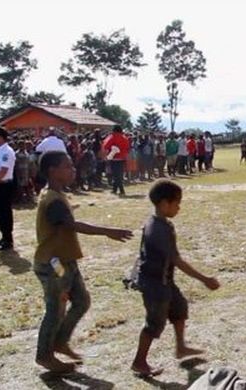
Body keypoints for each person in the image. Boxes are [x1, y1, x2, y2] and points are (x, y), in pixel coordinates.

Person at [33, 151, 132, 374]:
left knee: (81, 301)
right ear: (52, 171)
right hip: (54, 264)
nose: (73, 169)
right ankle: (44, 355)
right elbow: (70, 225)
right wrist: (107, 231)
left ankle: (60, 341)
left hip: (65, 261)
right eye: (67, 166)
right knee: (56, 308)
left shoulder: (56, 193)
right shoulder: (52, 199)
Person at [131, 180, 221, 377]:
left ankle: (181, 347)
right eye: (177, 203)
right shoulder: (158, 229)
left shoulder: (160, 223)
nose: (179, 207)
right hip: (155, 285)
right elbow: (176, 259)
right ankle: (139, 362)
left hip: (164, 281)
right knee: (154, 324)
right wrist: (204, 279)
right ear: (164, 204)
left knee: (179, 307)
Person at [103, 125, 130, 196]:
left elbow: (105, 146)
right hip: (122, 158)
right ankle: (114, 190)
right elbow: (127, 148)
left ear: (114, 130)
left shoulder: (112, 137)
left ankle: (121, 190)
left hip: (114, 158)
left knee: (116, 175)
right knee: (119, 174)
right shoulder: (125, 138)